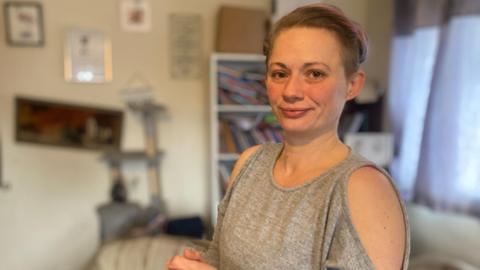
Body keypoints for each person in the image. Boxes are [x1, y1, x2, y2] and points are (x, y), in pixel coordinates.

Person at [167, 3, 409, 270]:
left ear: (352, 85)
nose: (291, 91)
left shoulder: (365, 189)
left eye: (315, 74)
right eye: (280, 73)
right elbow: (221, 258)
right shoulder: (249, 163)